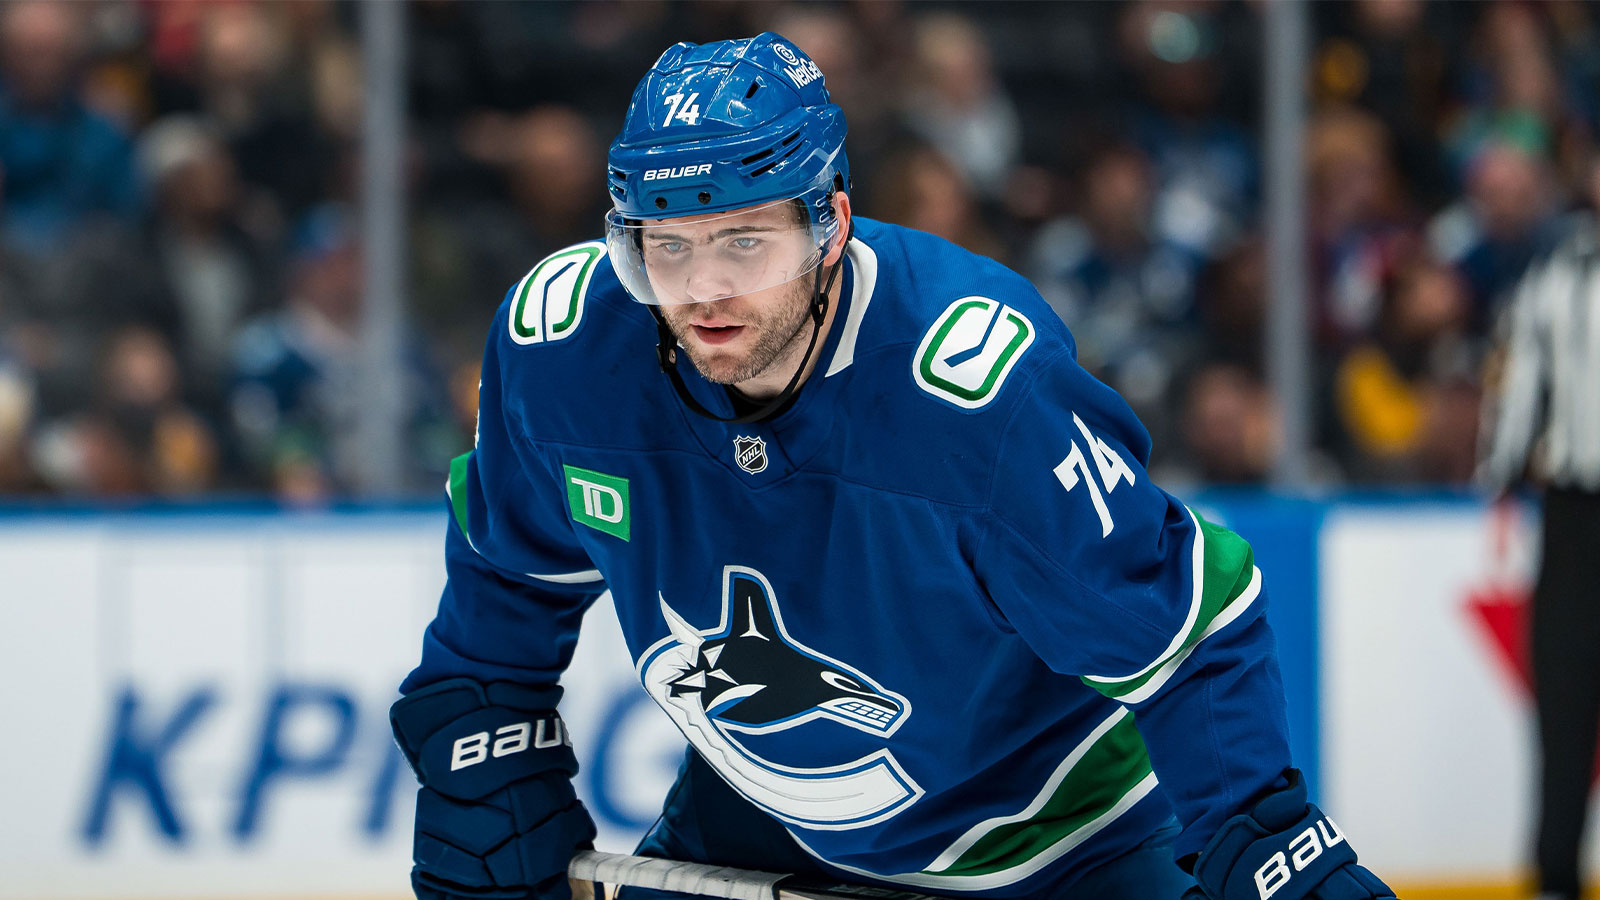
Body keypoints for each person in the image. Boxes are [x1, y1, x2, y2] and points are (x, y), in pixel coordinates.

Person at [390, 34, 1396, 900]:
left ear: (828, 222)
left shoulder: (977, 397)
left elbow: (1185, 629)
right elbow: (503, 583)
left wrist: (1258, 831)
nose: (703, 291)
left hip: (1063, 842)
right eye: (668, 247)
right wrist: (485, 745)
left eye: (745, 242)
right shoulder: (567, 350)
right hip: (766, 818)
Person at [1478, 156, 1600, 900]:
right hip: (1575, 512)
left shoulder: (1554, 275)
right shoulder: (1556, 275)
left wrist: (1497, 470)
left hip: (1573, 509)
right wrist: (1498, 470)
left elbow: (1518, 397)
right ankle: (1555, 871)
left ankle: (1555, 872)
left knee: (1565, 702)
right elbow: (1518, 389)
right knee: (1564, 701)